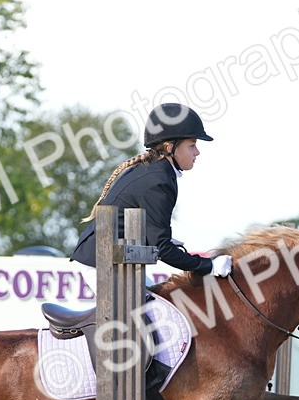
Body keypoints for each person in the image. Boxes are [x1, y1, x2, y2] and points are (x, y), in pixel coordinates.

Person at [70, 102, 232, 281]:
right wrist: (209, 266)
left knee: (157, 297)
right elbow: (163, 249)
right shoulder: (159, 182)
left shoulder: (156, 172)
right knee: (154, 301)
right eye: (192, 145)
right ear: (170, 147)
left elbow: (154, 235)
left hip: (116, 257)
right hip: (101, 261)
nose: (197, 152)